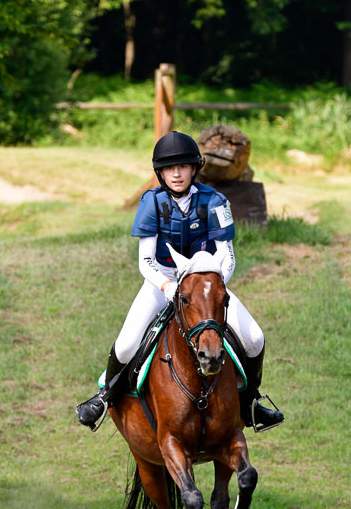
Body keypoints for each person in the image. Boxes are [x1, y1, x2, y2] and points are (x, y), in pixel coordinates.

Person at [77, 131, 284, 432]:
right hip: (163, 281)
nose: (176, 173)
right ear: (160, 172)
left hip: (205, 285)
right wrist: (169, 287)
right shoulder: (151, 202)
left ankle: (251, 403)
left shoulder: (215, 201)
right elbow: (145, 260)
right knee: (125, 345)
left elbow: (227, 255)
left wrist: (211, 285)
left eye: (183, 167)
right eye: (169, 168)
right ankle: (103, 397)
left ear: (194, 169)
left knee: (254, 338)